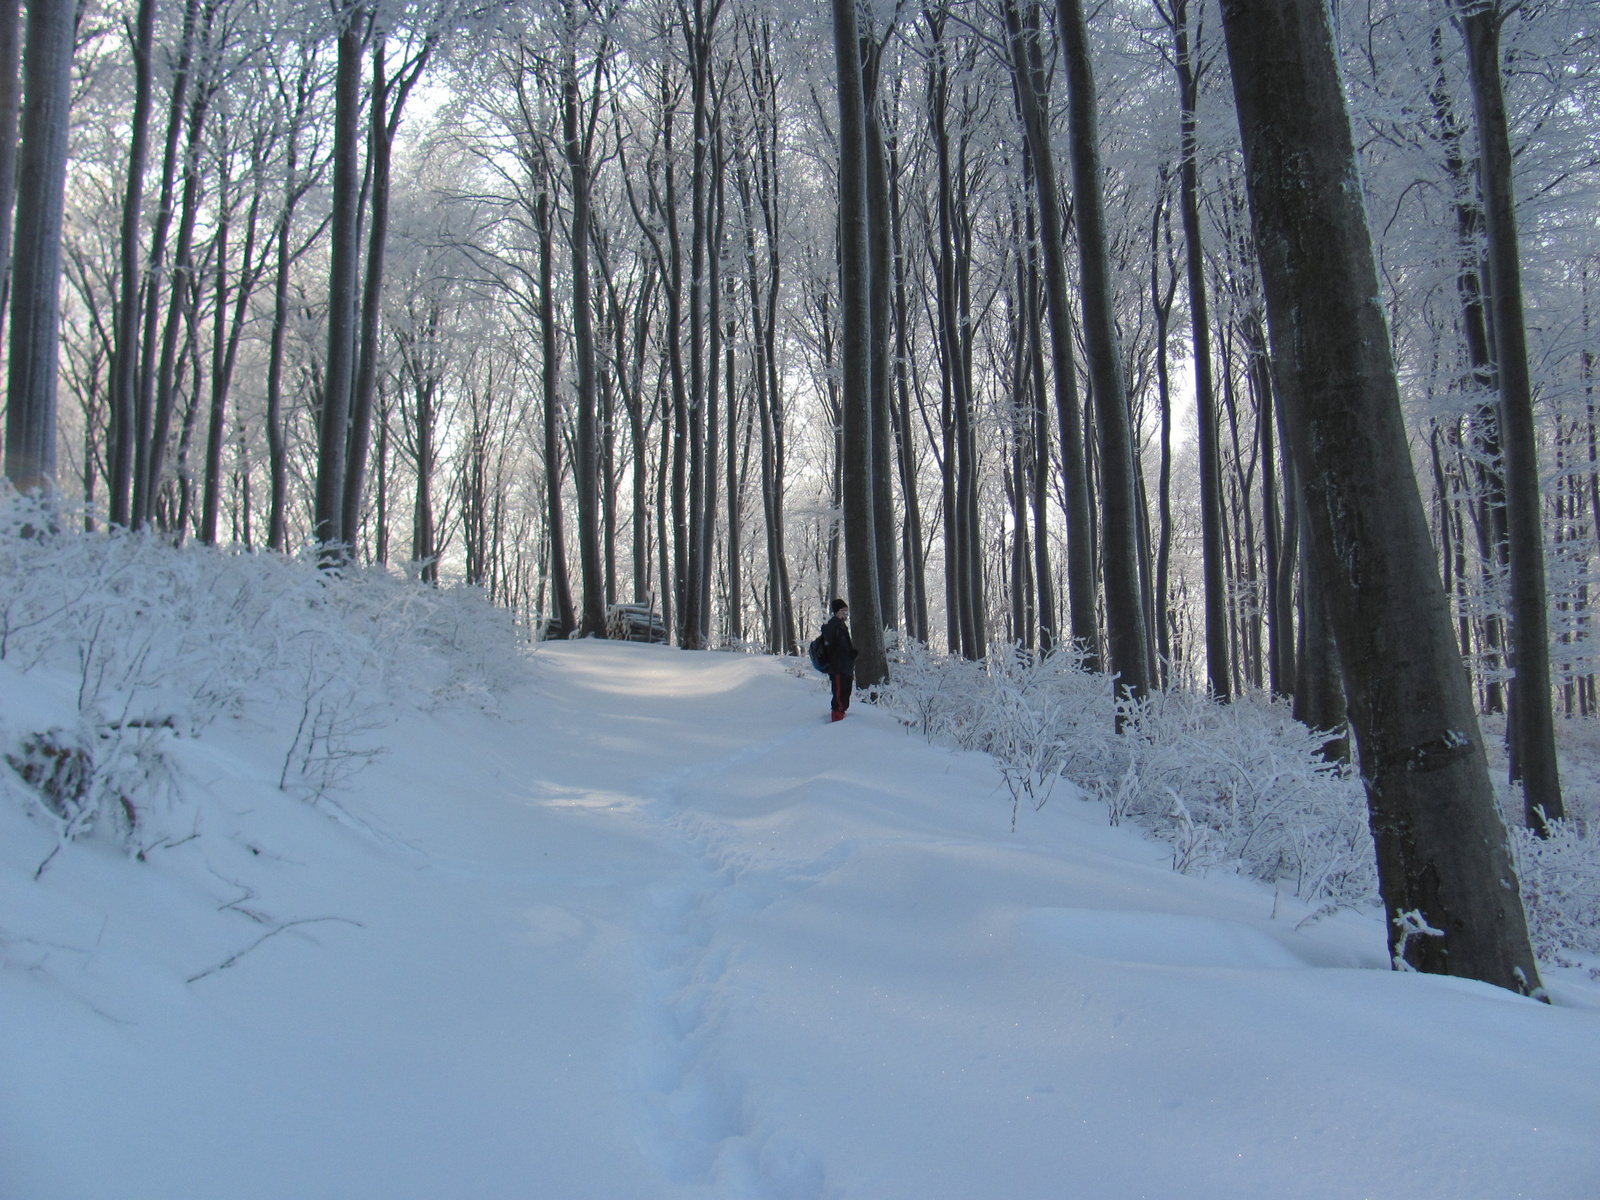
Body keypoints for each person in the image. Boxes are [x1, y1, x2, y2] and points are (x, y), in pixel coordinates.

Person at [821, 598, 857, 721]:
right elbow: (830, 645)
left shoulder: (842, 627)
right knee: (839, 697)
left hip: (846, 667)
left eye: (847, 612)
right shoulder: (833, 625)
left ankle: (842, 720)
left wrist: (851, 654)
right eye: (843, 611)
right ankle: (837, 722)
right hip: (838, 668)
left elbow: (842, 646)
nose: (846, 614)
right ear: (836, 612)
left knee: (845, 695)